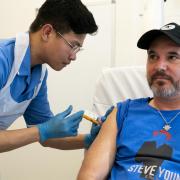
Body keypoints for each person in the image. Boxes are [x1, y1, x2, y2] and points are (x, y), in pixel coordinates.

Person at [77, 22, 180, 180]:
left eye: (172, 57)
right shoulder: (123, 112)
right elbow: (89, 176)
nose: (159, 66)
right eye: (153, 56)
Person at [0, 0, 100, 153]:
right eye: (73, 45)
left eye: (78, 49)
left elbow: (47, 137)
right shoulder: (2, 60)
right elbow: (42, 131)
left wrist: (89, 139)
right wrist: (42, 130)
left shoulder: (38, 75)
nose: (74, 57)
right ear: (47, 32)